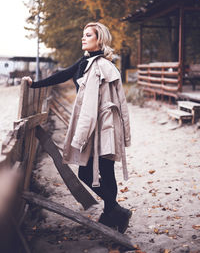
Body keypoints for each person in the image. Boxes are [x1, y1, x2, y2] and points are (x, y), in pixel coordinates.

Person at [23, 22, 132, 233]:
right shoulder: (86, 61)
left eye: (88, 35)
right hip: (102, 125)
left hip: (99, 127)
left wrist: (80, 137)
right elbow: (63, 75)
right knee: (105, 173)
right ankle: (111, 213)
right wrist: (34, 84)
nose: (83, 38)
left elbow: (95, 105)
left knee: (87, 172)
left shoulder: (100, 66)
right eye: (83, 35)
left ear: (99, 40)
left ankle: (117, 211)